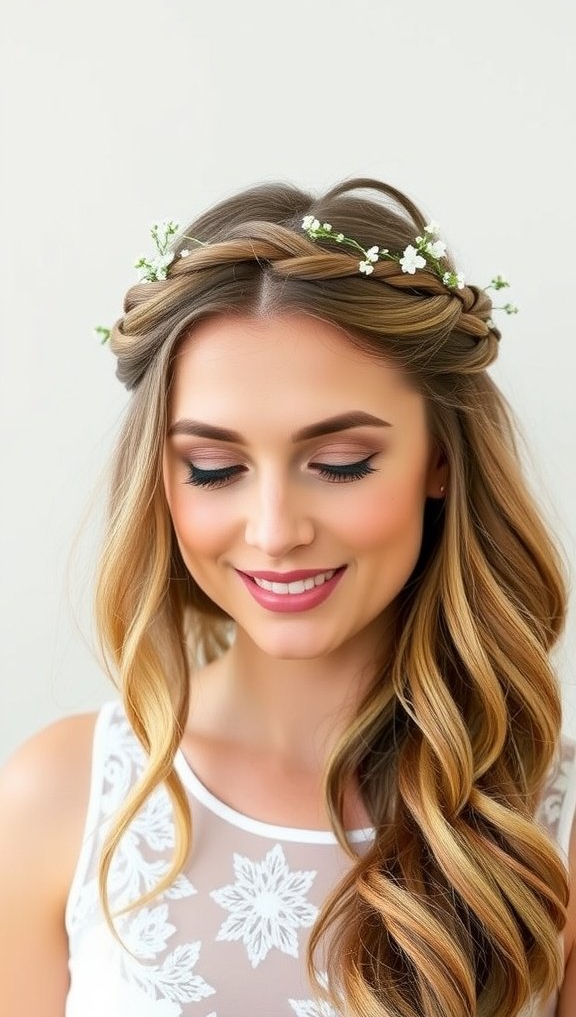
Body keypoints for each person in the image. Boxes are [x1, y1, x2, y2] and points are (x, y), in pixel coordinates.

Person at [0, 177, 575, 1017]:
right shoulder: (59, 796)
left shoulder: (545, 825)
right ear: (162, 479)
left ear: (440, 461)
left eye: (339, 463)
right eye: (214, 468)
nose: (274, 530)